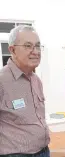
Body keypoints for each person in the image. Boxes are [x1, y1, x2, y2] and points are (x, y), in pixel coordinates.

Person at [0, 25, 50, 157]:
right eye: (28, 46)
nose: (36, 51)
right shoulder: (1, 81)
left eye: (38, 46)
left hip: (43, 151)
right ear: (12, 50)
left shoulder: (36, 80)